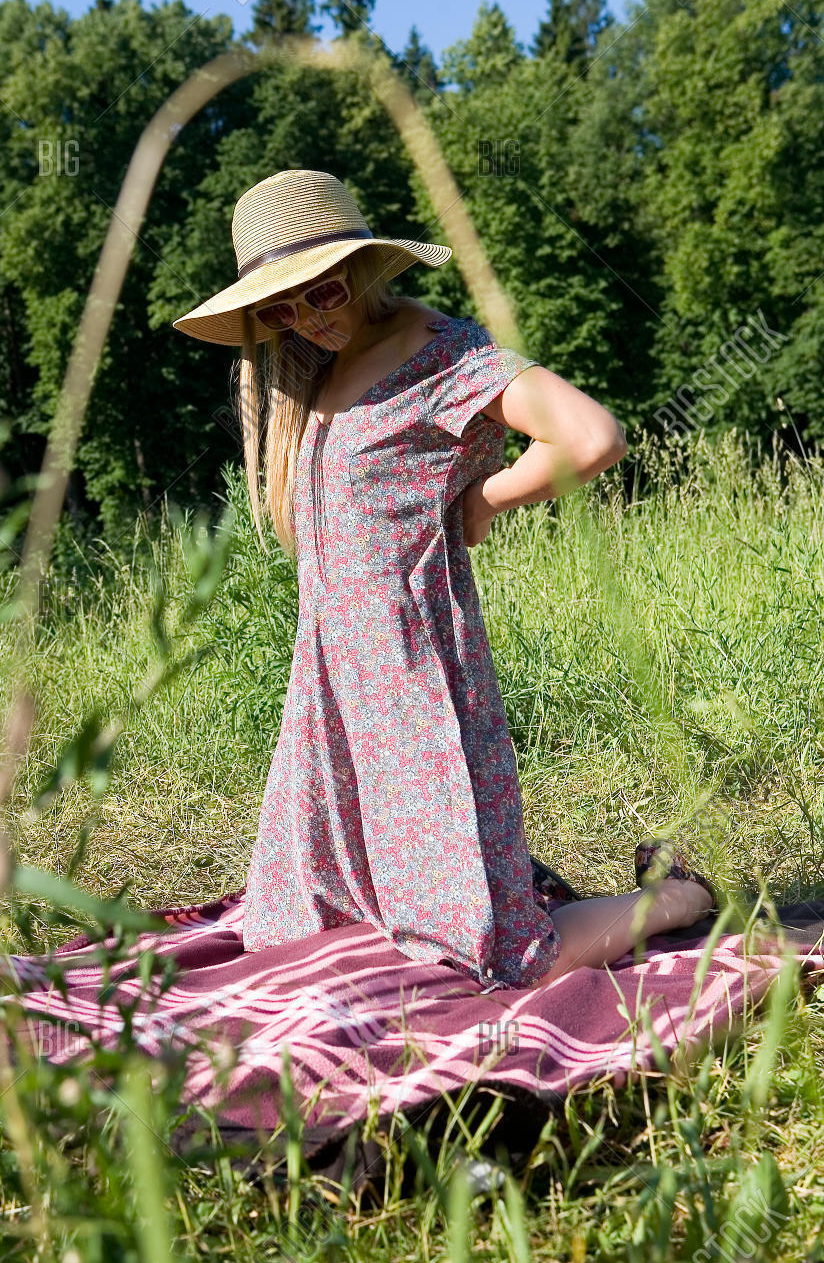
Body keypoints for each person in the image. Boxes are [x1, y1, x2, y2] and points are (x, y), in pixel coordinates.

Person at [173, 169, 714, 995]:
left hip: (413, 688)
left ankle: (679, 896)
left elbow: (591, 435)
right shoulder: (317, 371)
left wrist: (481, 500)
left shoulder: (441, 354)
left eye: (321, 292)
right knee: (302, 932)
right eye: (280, 309)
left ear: (363, 267)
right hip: (333, 692)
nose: (307, 319)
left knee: (500, 955)